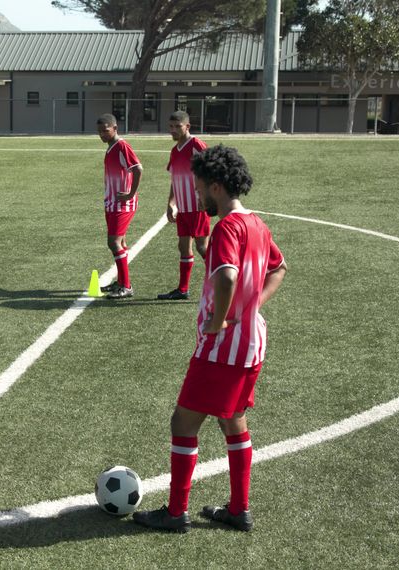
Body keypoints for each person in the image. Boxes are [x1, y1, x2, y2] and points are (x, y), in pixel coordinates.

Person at [133, 145, 287, 533]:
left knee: (183, 423)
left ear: (216, 186)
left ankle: (175, 512)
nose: (198, 195)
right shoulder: (257, 224)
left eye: (200, 187)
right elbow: (279, 268)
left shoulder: (227, 228)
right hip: (252, 345)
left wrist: (219, 321)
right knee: (232, 420)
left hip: (223, 349)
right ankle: (238, 508)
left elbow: (228, 277)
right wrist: (251, 306)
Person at [157, 111, 210, 301]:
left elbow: (211, 170)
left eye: (177, 126)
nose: (172, 130)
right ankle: (183, 289)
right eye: (170, 126)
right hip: (183, 208)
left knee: (202, 248)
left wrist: (205, 198)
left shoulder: (196, 145)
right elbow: (175, 178)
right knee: (183, 247)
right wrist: (171, 203)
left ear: (187, 127)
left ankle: (224, 282)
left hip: (197, 207)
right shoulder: (175, 150)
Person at [95, 113, 143, 299]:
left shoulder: (122, 146)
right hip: (112, 203)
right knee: (120, 243)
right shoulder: (111, 147)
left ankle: (127, 286)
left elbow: (138, 168)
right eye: (99, 131)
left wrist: (130, 194)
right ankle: (122, 281)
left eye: (105, 131)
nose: (102, 134)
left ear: (115, 128)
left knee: (114, 243)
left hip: (122, 204)